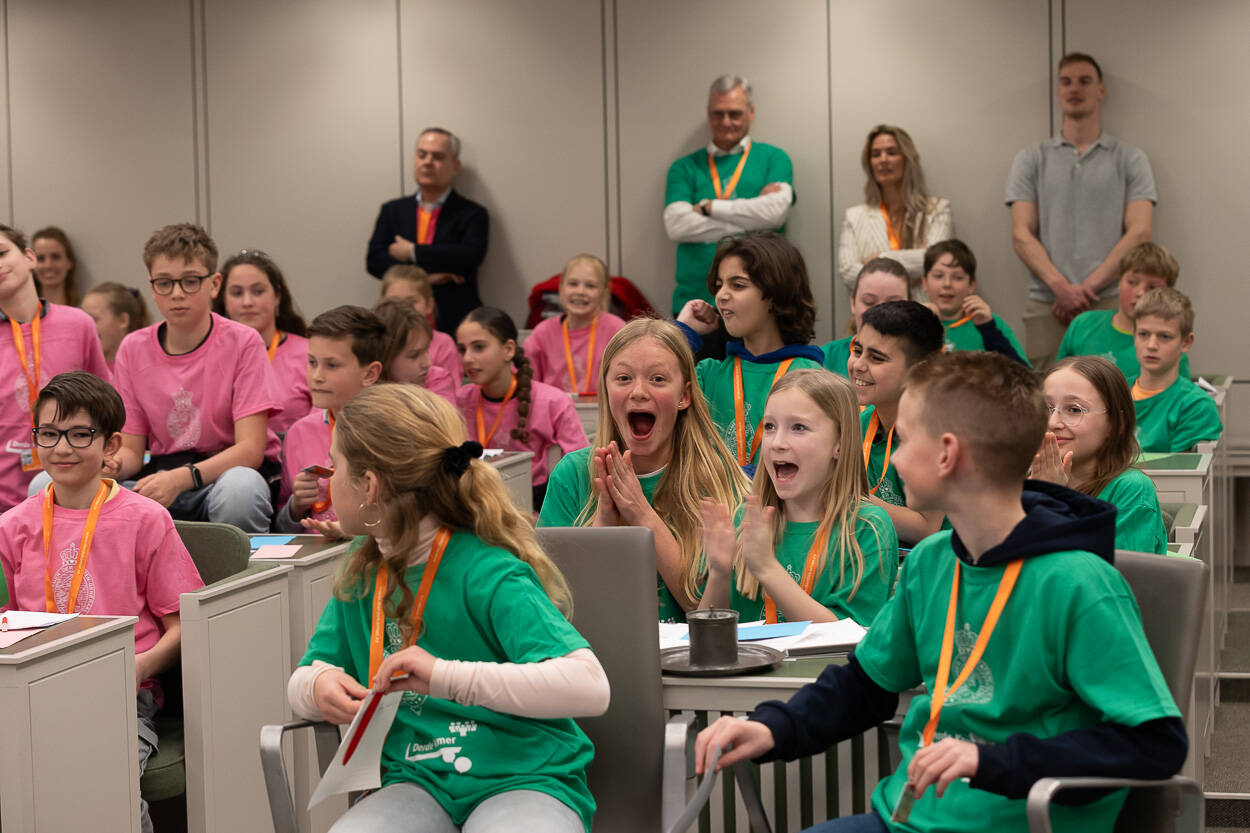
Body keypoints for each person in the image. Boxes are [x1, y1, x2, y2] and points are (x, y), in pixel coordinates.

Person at [694, 351, 1186, 833]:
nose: (893, 460)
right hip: (906, 818)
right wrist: (771, 727)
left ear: (948, 454)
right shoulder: (932, 562)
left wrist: (989, 761)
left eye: (903, 441)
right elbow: (866, 685)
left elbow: (1154, 742)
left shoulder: (1079, 583)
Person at [286, 384, 608, 833]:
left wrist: (443, 676)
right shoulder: (364, 570)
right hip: (415, 781)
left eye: (335, 466)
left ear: (370, 486)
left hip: (523, 778)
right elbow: (304, 674)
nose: (328, 480)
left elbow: (590, 685)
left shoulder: (487, 570)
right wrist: (318, 684)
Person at [0, 371, 203, 833]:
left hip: (120, 696)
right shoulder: (14, 525)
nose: (61, 447)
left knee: (102, 786)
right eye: (48, 434)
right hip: (33, 693)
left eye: (79, 434)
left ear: (111, 446)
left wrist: (139, 667)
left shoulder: (145, 519)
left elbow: (185, 626)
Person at [538, 318, 750, 622]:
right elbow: (551, 607)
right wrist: (603, 528)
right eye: (623, 378)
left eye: (658, 379)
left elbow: (710, 613)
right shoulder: (573, 473)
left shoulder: (715, 476)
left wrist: (642, 514)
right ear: (607, 391)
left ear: (684, 396)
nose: (638, 391)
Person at [111, 223, 280, 532]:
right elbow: (133, 452)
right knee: (53, 484)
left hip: (224, 475)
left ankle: (247, 576)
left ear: (214, 285)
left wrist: (180, 479)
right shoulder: (132, 348)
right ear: (152, 287)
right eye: (164, 283)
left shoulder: (243, 342)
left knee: (241, 489)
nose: (176, 294)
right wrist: (110, 464)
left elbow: (250, 450)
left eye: (190, 281)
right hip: (161, 477)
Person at [699, 369, 897, 626]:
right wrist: (719, 572)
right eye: (770, 426)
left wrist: (767, 568)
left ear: (840, 442)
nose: (777, 443)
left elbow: (849, 640)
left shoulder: (867, 527)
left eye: (798, 428)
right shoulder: (747, 520)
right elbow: (706, 637)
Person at [1006, 53, 1156, 370]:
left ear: (1101, 90)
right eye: (1066, 81)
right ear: (1058, 91)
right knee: (1044, 400)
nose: (1075, 88)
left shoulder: (1131, 158)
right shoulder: (1031, 158)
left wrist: (1084, 291)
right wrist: (1060, 288)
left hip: (1112, 303)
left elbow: (1140, 232)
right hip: (1048, 303)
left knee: (1115, 395)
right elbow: (1021, 235)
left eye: (1085, 81)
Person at [676, 233, 823, 473]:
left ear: (775, 296)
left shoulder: (810, 379)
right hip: (710, 509)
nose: (722, 295)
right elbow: (649, 375)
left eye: (738, 285)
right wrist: (684, 330)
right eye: (719, 285)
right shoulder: (707, 374)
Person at [0, 224, 111, 510]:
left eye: (2, 253)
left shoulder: (78, 324)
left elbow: (108, 404)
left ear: (29, 257)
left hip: (75, 491)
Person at [663, 75, 795, 315]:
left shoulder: (775, 159)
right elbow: (676, 225)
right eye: (718, 113)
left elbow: (775, 214)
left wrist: (710, 207)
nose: (726, 122)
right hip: (695, 304)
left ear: (751, 112)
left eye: (734, 114)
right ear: (708, 113)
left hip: (762, 303)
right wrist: (755, 227)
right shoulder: (684, 167)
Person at [455, 307, 587, 509]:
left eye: (479, 347)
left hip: (535, 508)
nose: (467, 358)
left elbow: (582, 467)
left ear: (508, 349)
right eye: (462, 350)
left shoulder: (552, 402)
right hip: (476, 505)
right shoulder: (461, 400)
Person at [1032, 357, 1166, 554]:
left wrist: (1050, 500)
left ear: (1115, 424)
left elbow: (1105, 579)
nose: (1053, 422)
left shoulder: (1131, 489)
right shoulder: (1027, 479)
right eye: (1046, 408)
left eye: (1074, 409)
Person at [366, 127, 489, 334]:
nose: (428, 162)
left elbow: (469, 256)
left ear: (455, 166)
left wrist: (412, 251)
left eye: (438, 156)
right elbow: (374, 261)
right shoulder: (393, 210)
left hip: (457, 320)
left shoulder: (472, 213)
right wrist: (425, 278)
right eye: (422, 154)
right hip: (397, 320)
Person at [275, 306, 385, 534]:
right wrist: (296, 506)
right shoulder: (299, 433)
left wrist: (350, 531)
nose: (317, 376)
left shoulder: (393, 431)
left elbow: (410, 517)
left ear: (370, 374)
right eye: (312, 362)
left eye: (331, 365)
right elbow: (281, 528)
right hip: (314, 558)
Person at [849, 301, 945, 544]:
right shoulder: (857, 423)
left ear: (920, 370)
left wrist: (847, 499)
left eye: (877, 358)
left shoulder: (937, 430)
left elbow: (926, 528)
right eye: (857, 351)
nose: (859, 365)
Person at [837, 126, 952, 297]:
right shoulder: (854, 216)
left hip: (924, 315)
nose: (883, 160)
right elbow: (848, 273)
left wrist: (879, 259)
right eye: (876, 154)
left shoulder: (937, 210)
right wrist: (912, 272)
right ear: (869, 164)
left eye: (891, 152)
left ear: (907, 159)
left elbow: (936, 261)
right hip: (876, 317)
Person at [1055, 241, 1188, 380]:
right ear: (1119, 283)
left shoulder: (1171, 349)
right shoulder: (1083, 324)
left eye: (1153, 287)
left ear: (1167, 293)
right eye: (1132, 282)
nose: (1140, 293)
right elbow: (1056, 379)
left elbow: (1179, 397)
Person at [214, 249, 311, 434]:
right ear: (223, 300)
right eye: (236, 293)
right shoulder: (209, 356)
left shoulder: (309, 355)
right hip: (226, 460)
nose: (247, 302)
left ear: (277, 296)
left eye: (258, 291)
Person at [1129, 288, 1221, 453]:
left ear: (1186, 342)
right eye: (1143, 334)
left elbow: (1177, 475)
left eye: (1164, 336)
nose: (1151, 345)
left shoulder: (1196, 406)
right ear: (1134, 336)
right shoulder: (1111, 394)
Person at [524, 254, 626, 394]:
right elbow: (528, 385)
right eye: (573, 284)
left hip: (602, 413)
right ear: (560, 289)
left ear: (604, 294)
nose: (580, 291)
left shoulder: (616, 330)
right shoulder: (542, 333)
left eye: (590, 286)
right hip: (554, 413)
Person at [920, 240, 1028, 365]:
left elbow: (1023, 375)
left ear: (971, 284)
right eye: (938, 276)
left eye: (958, 277)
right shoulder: (913, 324)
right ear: (924, 282)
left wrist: (988, 329)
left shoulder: (990, 323)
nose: (947, 284)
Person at [821, 257, 910, 377]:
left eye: (893, 304)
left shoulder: (924, 363)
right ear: (853, 302)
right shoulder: (823, 360)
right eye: (869, 302)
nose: (880, 313)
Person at [380, 264, 463, 381]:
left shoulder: (444, 344)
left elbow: (451, 392)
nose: (402, 307)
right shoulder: (375, 340)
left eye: (411, 301)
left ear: (429, 305)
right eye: (394, 301)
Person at [373, 297, 459, 402]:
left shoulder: (439, 379)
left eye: (427, 349)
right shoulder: (364, 388)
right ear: (385, 357)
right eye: (414, 355)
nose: (428, 363)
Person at [80, 282, 150, 373]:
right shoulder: (83, 368)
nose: (87, 327)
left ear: (123, 321)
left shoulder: (143, 368)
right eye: (84, 319)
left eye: (94, 319)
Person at [31, 226, 81, 307]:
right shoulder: (21, 315)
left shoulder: (85, 313)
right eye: (40, 258)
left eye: (55, 257)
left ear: (70, 262)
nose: (48, 265)